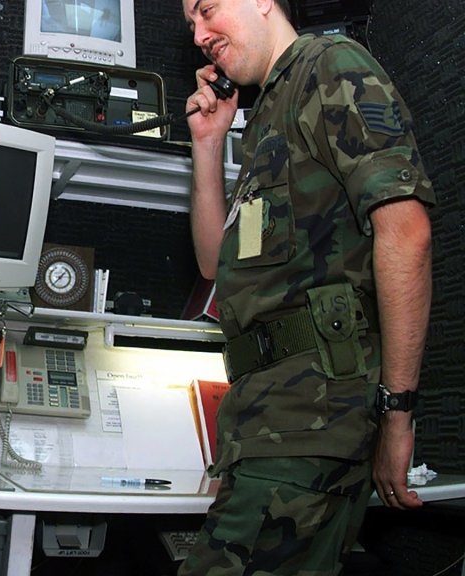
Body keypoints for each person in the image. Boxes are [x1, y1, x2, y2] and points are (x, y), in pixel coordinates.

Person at [180, 0, 433, 574]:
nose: (199, 34)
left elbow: (406, 233)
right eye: (191, 24)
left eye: (207, 9)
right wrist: (208, 143)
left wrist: (398, 415)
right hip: (266, 425)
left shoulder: (329, 65)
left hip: (311, 422)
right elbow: (214, 264)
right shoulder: (269, 113)